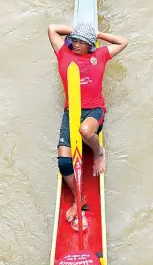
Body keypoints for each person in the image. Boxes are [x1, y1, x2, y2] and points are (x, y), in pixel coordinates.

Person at [47, 22, 128, 222]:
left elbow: (123, 42)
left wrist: (97, 33)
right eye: (74, 40)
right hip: (70, 112)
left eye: (81, 42)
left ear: (91, 45)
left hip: (94, 110)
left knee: (85, 131)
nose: (75, 44)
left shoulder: (98, 55)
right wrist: (76, 32)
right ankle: (78, 198)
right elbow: (52, 28)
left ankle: (98, 152)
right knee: (64, 162)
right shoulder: (63, 53)